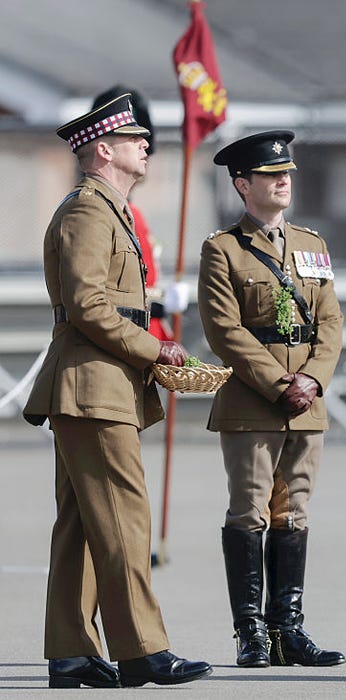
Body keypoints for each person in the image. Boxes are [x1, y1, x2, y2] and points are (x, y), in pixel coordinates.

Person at [22, 93, 212, 688]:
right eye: (134, 140)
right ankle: (142, 651)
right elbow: (87, 305)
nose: (146, 146)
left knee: (82, 525)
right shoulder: (88, 210)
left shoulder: (111, 210)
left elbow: (112, 303)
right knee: (126, 521)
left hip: (99, 386)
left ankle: (73, 653)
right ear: (103, 150)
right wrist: (157, 348)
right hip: (92, 388)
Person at [197, 130, 346, 668]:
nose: (283, 180)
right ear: (243, 184)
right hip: (254, 404)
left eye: (287, 173)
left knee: (295, 513)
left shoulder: (312, 246)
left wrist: (313, 379)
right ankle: (251, 632)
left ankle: (289, 628)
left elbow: (329, 322)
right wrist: (281, 384)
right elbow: (224, 330)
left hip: (308, 403)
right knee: (249, 513)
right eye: (269, 175)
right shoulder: (223, 250)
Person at [90, 86, 190, 342]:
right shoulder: (94, 212)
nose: (144, 149)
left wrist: (162, 301)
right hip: (126, 338)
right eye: (134, 142)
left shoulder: (134, 214)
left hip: (148, 334)